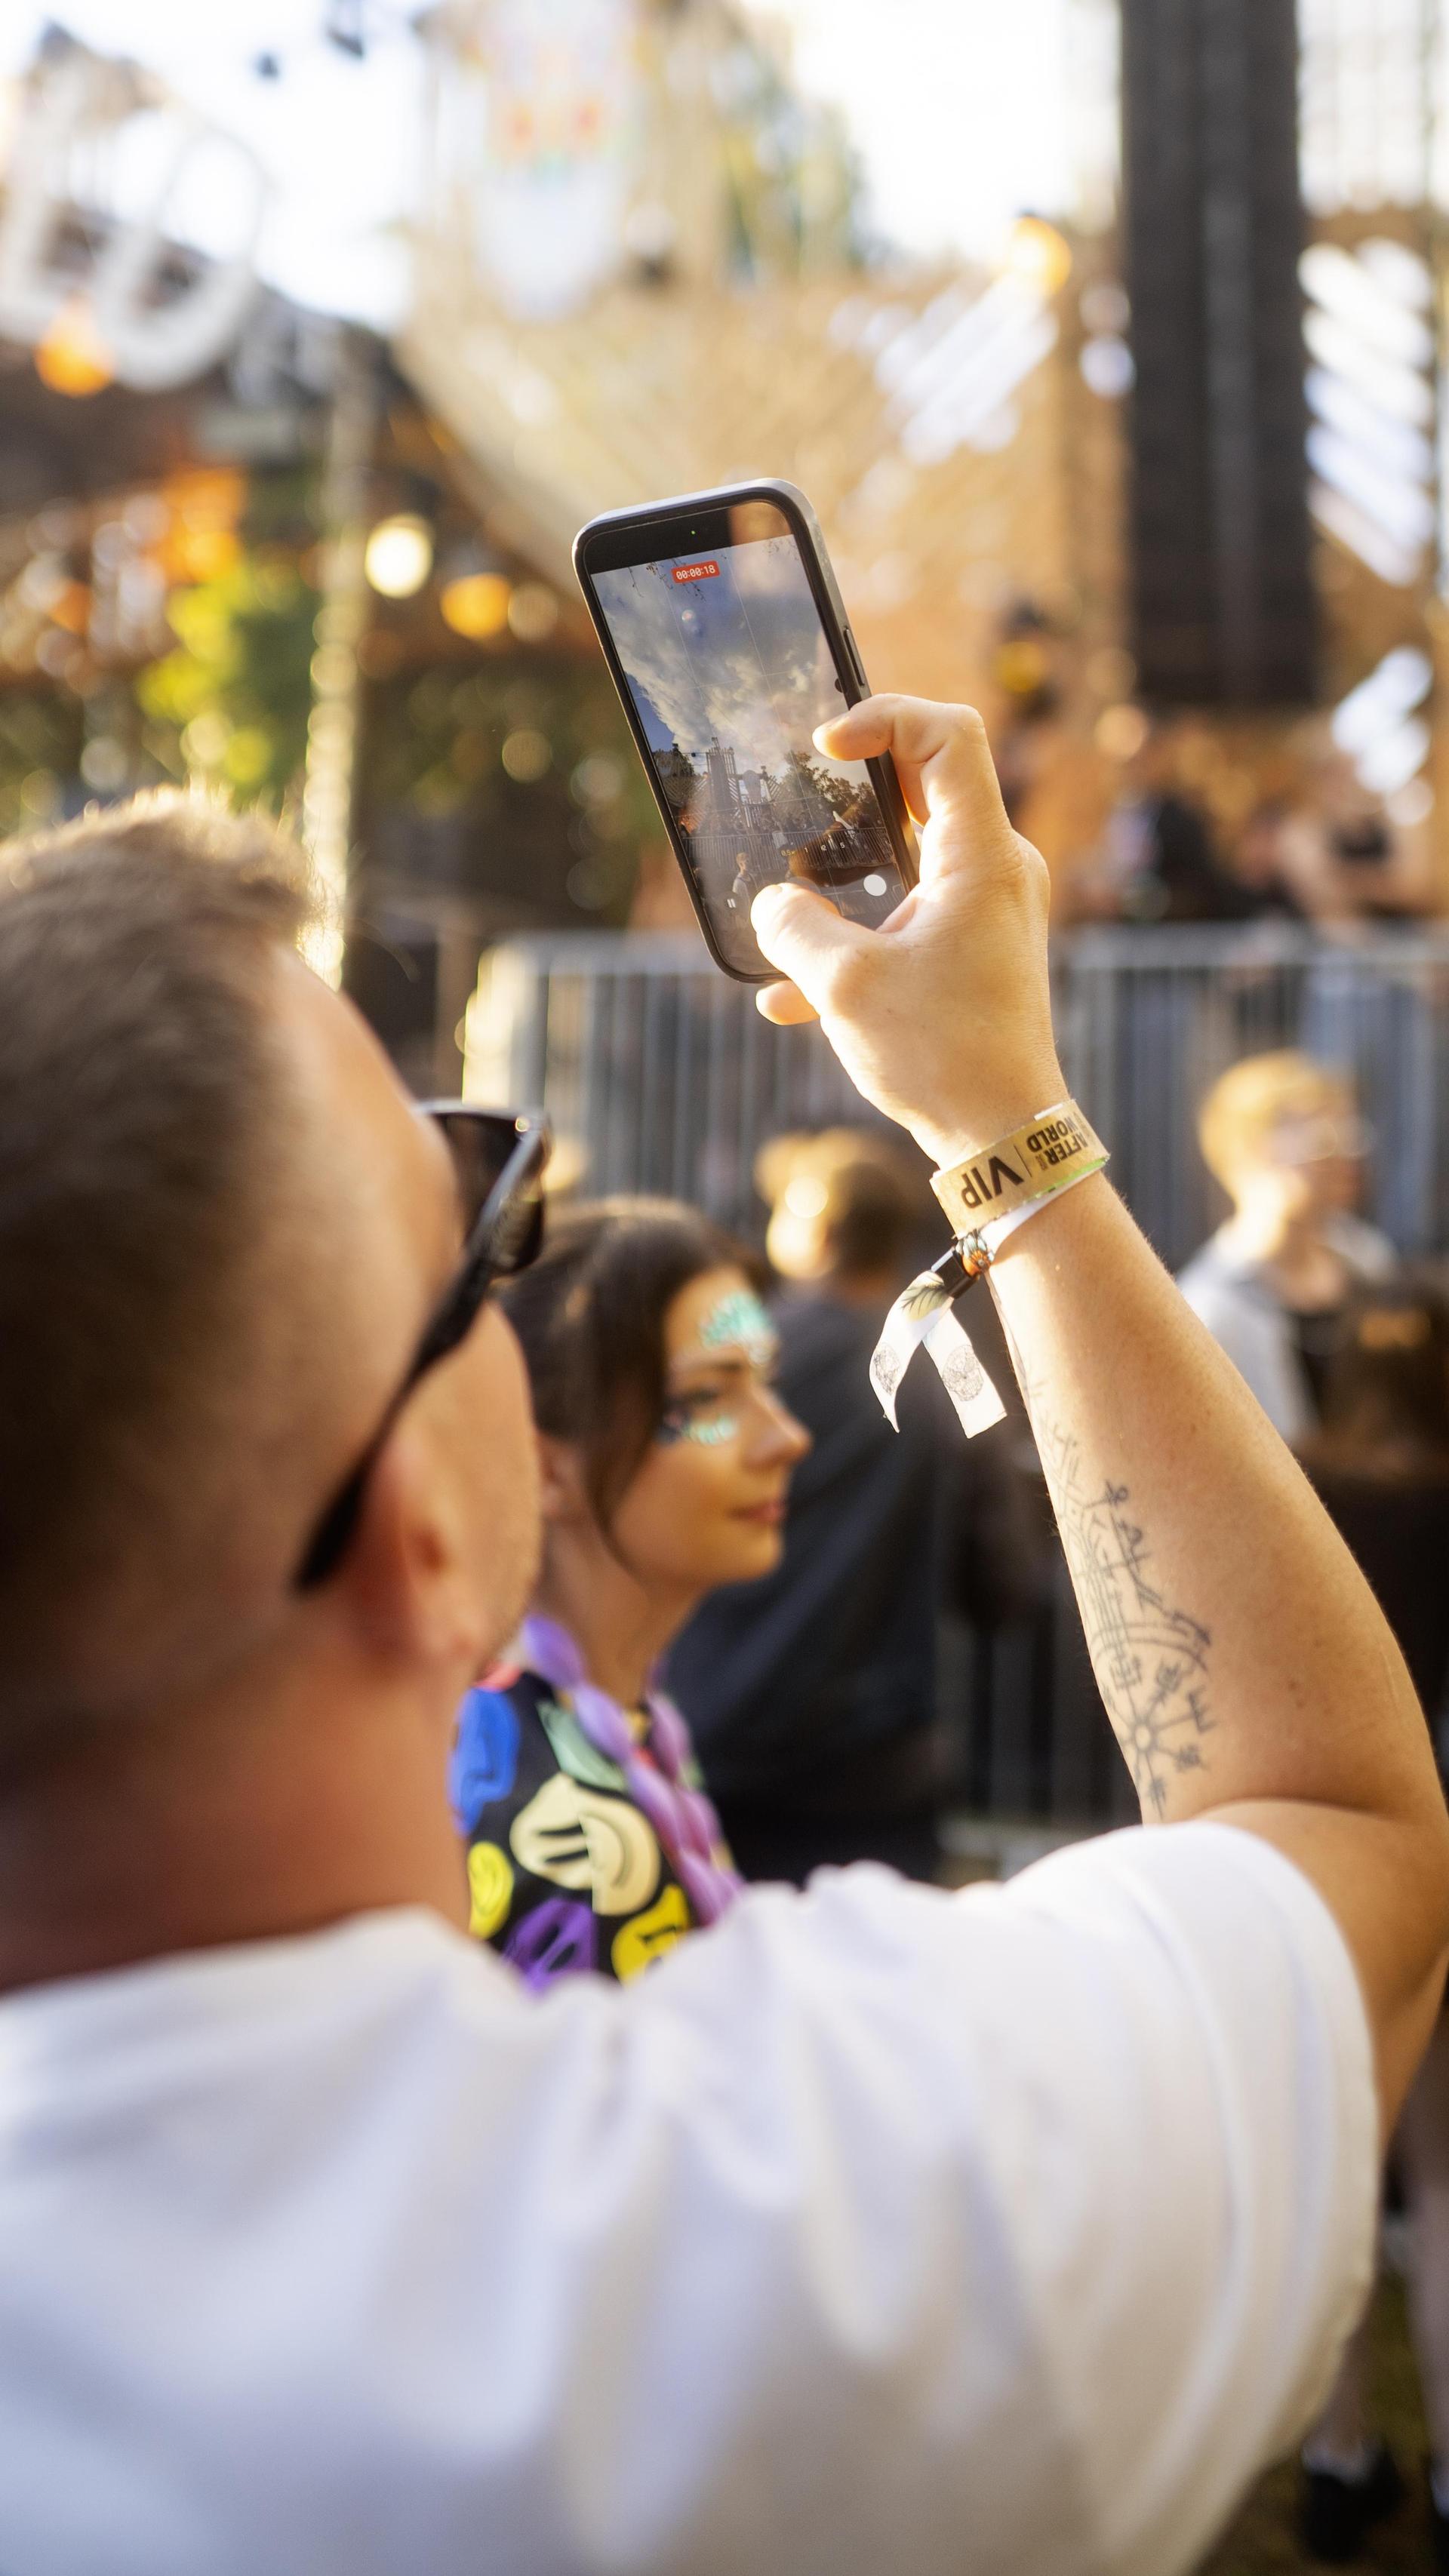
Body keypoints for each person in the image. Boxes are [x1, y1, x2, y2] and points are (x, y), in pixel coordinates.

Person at [0, 716, 1446, 2576]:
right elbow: (1339, 1828)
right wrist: (998, 1119)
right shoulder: (763, 2246)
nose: (770, 1436)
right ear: (411, 1521)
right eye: (478, 1221)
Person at [668, 1128, 1046, 1883]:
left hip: (715, 1738)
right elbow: (1004, 1585)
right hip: (875, 1772)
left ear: (817, 1231)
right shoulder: (948, 1365)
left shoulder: (743, 1363)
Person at [453, 1199, 808, 1982]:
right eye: (709, 1398)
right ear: (547, 1468)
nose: (787, 1437)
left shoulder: (609, 1719)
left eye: (765, 1381)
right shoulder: (563, 1832)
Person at [1293, 1283, 1449, 2564]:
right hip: (1438, 1843)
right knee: (1444, 2179)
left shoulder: (1297, 1479)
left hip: (1326, 1858)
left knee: (1338, 2165)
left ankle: (1336, 2459)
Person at [1177, 1050, 1395, 1440]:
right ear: (1251, 1149)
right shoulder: (1210, 1307)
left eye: (1348, 1133)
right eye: (1323, 1135)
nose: (1345, 1153)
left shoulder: (1368, 1263)